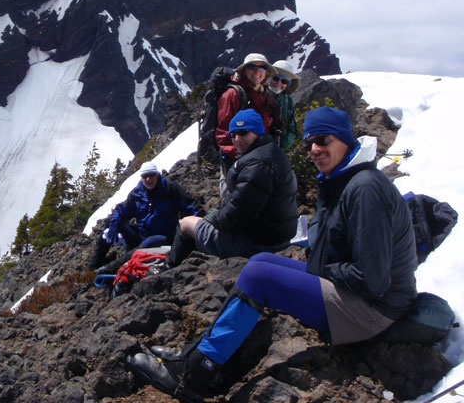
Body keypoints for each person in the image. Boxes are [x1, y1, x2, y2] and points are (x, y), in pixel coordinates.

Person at [127, 106, 417, 401]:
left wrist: (323, 267)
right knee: (260, 262)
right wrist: (323, 265)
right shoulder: (345, 180)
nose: (315, 150)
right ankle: (202, 357)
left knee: (260, 276)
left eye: (324, 140)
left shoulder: (365, 190)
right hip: (364, 296)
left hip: (373, 310)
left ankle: (192, 374)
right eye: (309, 144)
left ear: (345, 139)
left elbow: (372, 279)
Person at [165, 108, 297, 268]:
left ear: (257, 132)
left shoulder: (257, 164)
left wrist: (211, 220)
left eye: (243, 132)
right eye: (233, 135)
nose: (237, 139)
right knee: (200, 223)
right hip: (272, 237)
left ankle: (169, 268)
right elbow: (238, 202)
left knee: (185, 224)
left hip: (257, 244)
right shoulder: (270, 153)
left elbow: (236, 214)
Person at [87, 161, 198, 272]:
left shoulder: (170, 189)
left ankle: (111, 268)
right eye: (145, 176)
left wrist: (198, 228)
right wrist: (113, 225)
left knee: (150, 241)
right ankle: (93, 266)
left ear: (157, 175)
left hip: (165, 237)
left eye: (151, 175)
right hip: (142, 234)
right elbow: (122, 210)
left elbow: (191, 206)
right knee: (109, 226)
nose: (148, 179)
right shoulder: (137, 194)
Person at [215, 53, 277, 167]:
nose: (257, 72)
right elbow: (223, 131)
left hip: (263, 159)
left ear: (266, 72)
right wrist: (237, 157)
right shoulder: (233, 94)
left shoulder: (266, 96)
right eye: (252, 67)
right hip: (239, 161)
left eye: (262, 67)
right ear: (244, 71)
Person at [269, 59, 299, 149]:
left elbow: (292, 127)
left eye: (284, 81)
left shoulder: (287, 100)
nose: (279, 83)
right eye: (276, 78)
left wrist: (282, 145)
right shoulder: (258, 94)